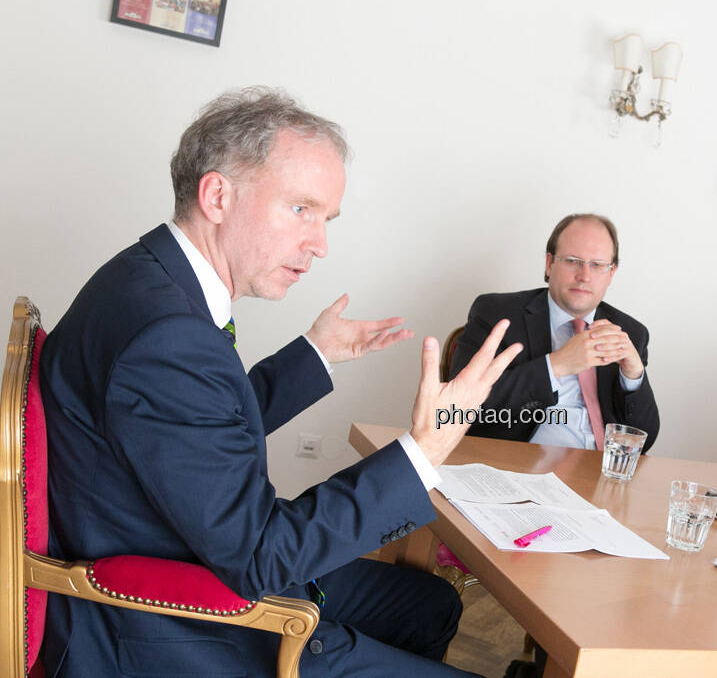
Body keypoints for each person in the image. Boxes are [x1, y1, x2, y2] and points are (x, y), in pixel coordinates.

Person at [39, 87, 521, 677]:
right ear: (217, 195)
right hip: (173, 626)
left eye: (326, 219)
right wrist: (427, 447)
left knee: (431, 605)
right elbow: (262, 557)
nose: (319, 244)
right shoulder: (166, 336)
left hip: (190, 546)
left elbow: (196, 431)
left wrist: (315, 354)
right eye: (301, 209)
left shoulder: (149, 279)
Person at [449, 213, 658, 453]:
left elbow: (644, 442)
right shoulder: (497, 314)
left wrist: (633, 376)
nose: (584, 276)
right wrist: (555, 365)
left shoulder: (630, 332)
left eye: (597, 265)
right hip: (521, 468)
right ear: (549, 264)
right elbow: (459, 409)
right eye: (572, 260)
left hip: (601, 474)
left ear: (611, 273)